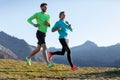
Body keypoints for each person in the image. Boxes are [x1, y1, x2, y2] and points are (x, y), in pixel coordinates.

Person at [25, 3, 53, 68]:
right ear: (41, 7)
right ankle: (48, 63)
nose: (46, 8)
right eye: (44, 7)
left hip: (44, 33)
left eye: (46, 7)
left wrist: (47, 23)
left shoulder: (48, 16)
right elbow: (29, 19)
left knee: (38, 49)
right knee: (44, 47)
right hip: (39, 32)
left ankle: (28, 58)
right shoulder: (37, 14)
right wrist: (34, 24)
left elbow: (49, 25)